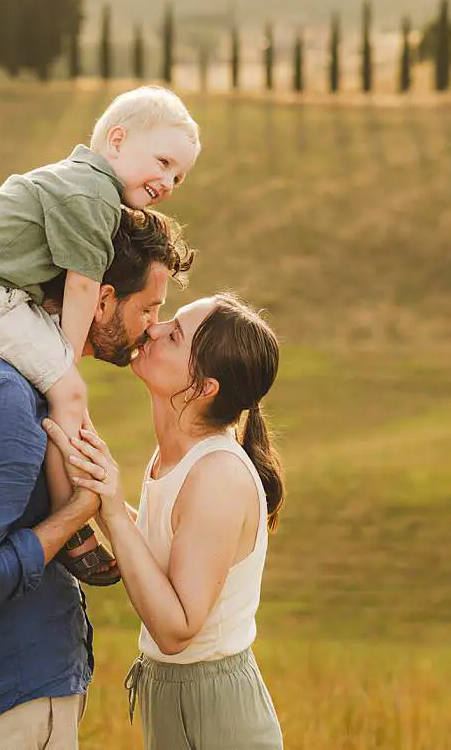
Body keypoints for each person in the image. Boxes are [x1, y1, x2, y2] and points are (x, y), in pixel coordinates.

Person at [0, 207, 195, 748]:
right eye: (149, 307)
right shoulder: (3, 393)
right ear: (102, 300)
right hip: (5, 702)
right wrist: (79, 511)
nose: (153, 326)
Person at [0, 84, 201, 583]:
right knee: (68, 390)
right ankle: (73, 521)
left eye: (178, 175)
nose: (168, 181)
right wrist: (65, 364)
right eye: (163, 162)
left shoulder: (84, 182)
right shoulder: (92, 195)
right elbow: (82, 286)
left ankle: (85, 502)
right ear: (117, 141)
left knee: (67, 397)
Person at [46, 293, 286, 750]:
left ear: (203, 387)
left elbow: (176, 629)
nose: (153, 329)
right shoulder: (172, 458)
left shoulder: (218, 476)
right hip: (180, 699)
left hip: (216, 714)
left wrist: (112, 508)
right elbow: (159, 552)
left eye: (174, 334)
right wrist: (98, 485)